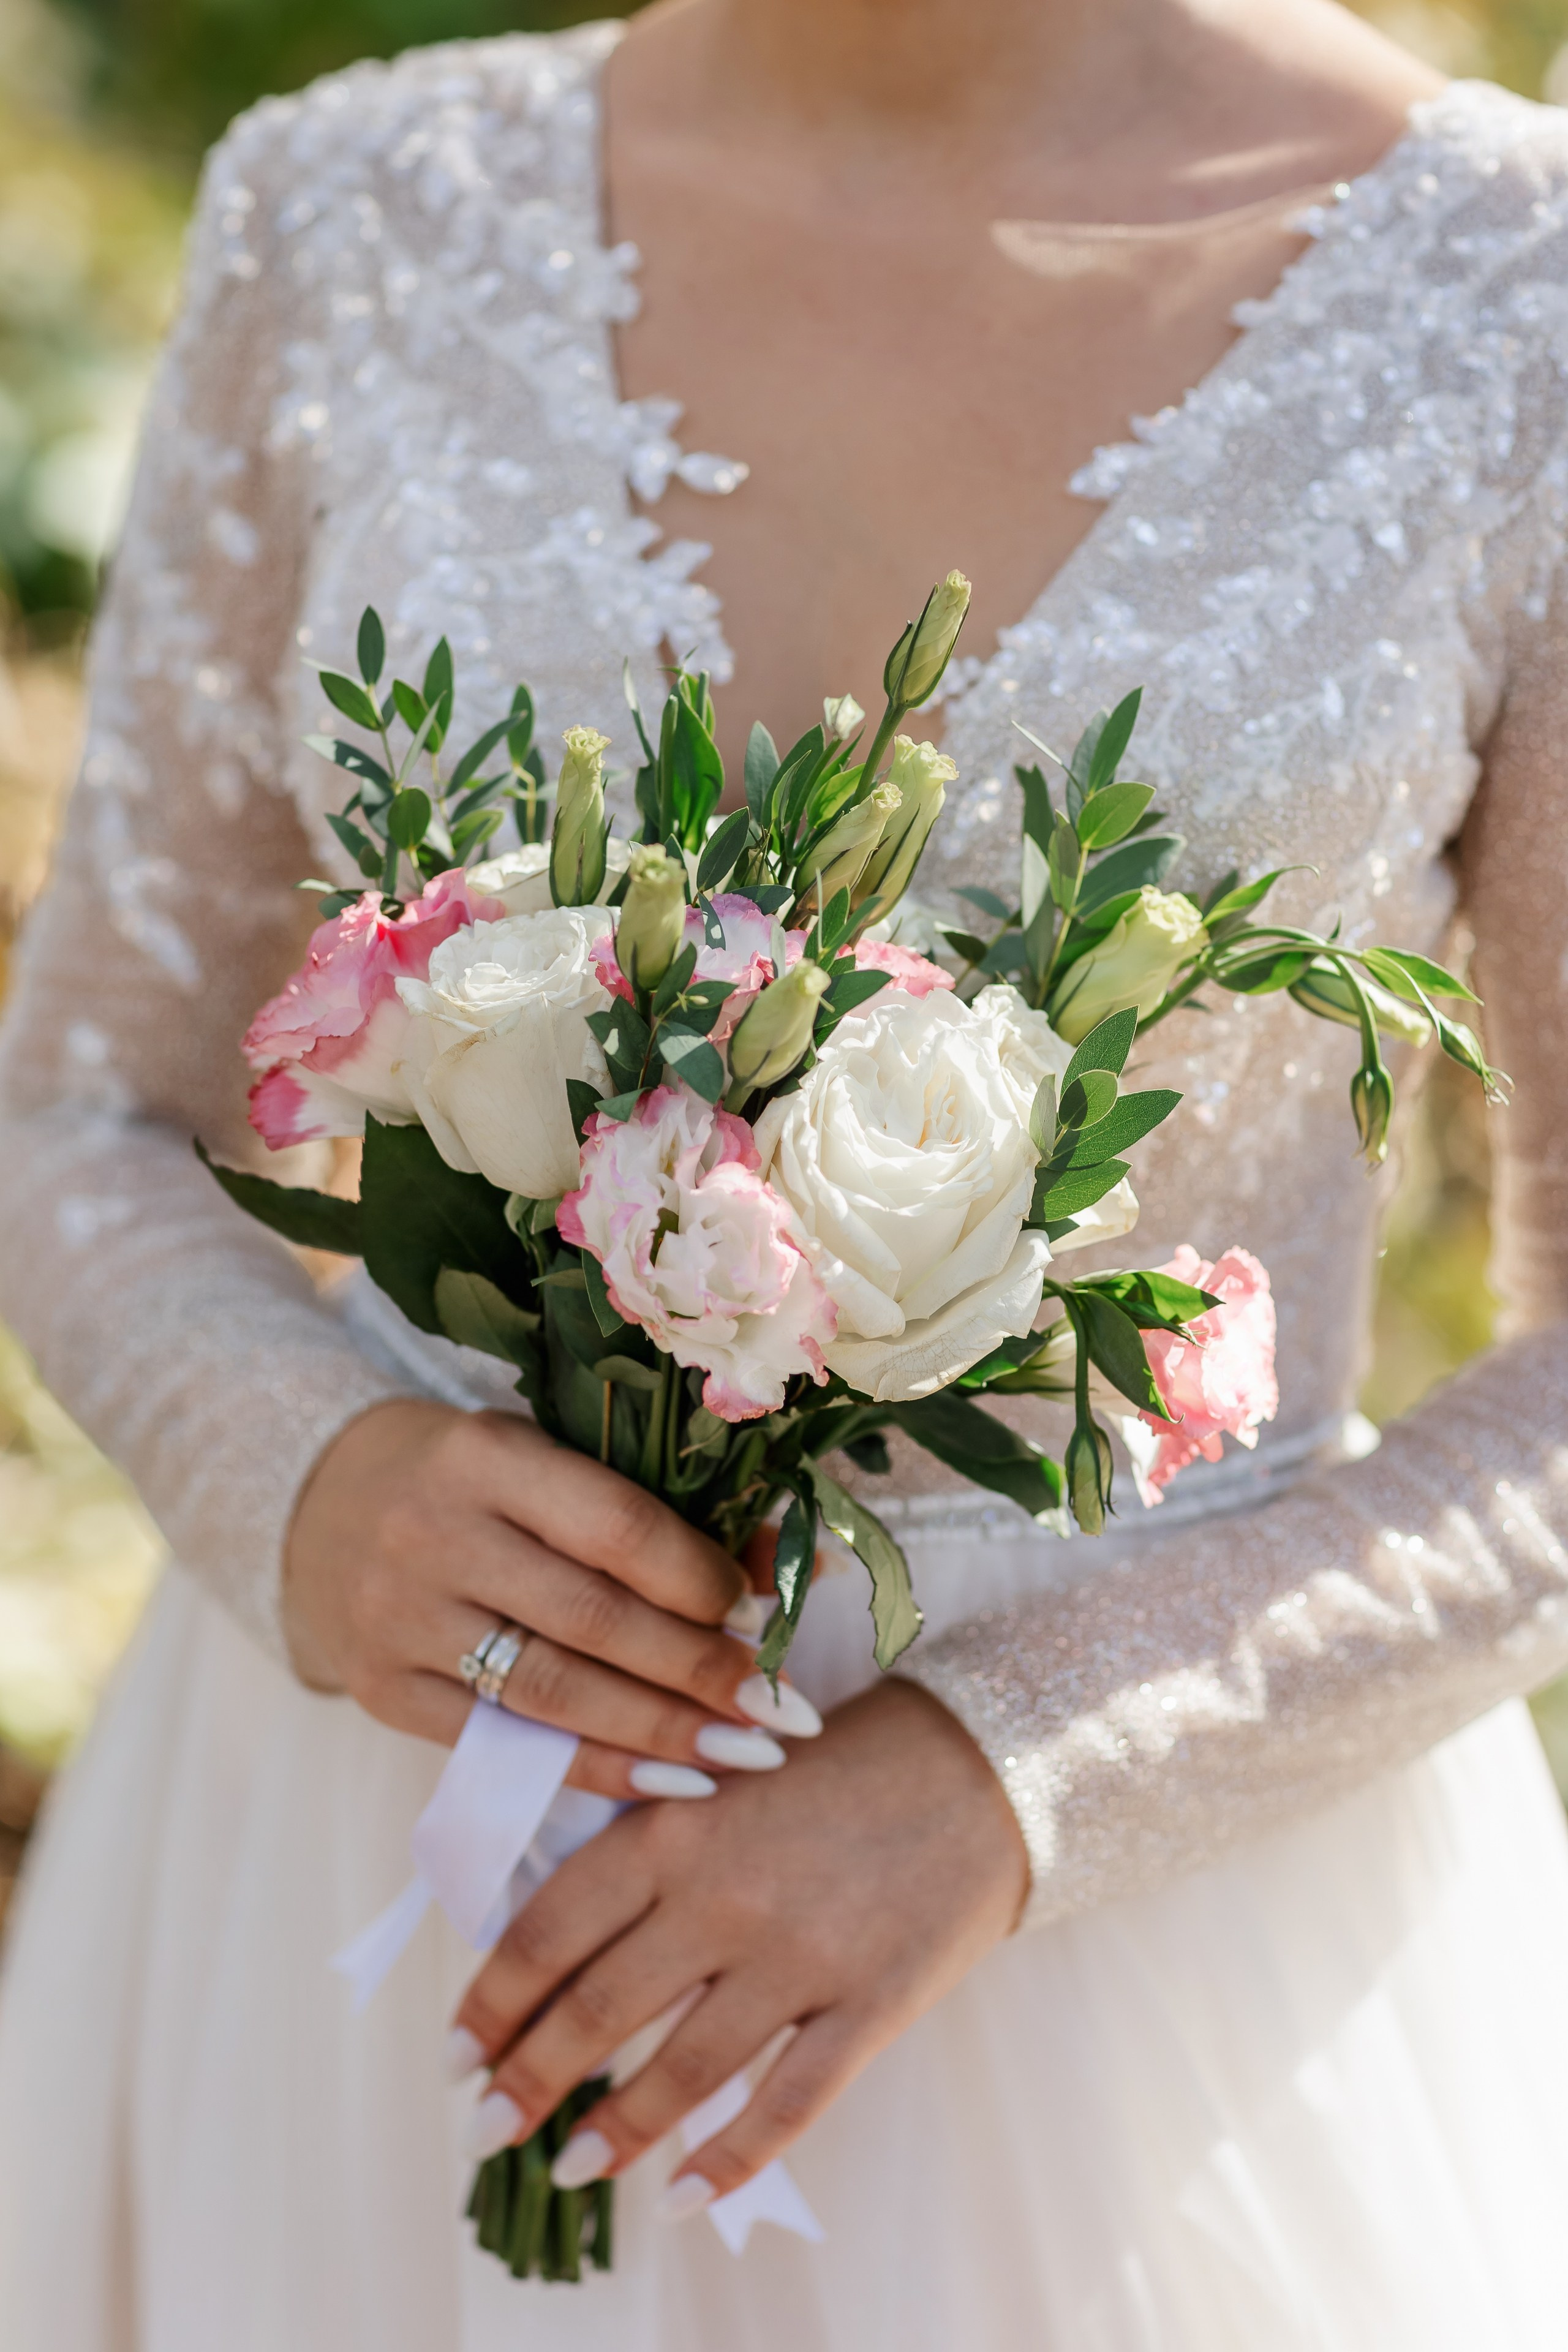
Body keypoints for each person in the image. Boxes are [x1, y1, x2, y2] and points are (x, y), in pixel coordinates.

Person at [5, 0, 1568, 2342]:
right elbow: (81, 1110)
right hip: (385, 1866)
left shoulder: (1515, 300)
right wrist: (301, 1482)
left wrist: (1030, 1773)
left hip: (1140, 1983)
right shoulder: (346, 216)